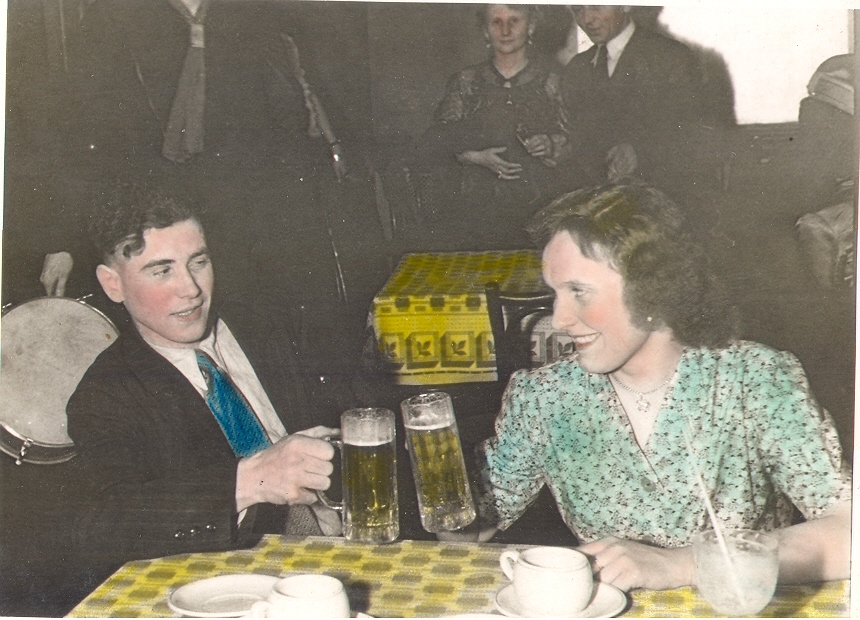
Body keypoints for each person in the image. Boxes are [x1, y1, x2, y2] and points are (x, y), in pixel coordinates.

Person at [464, 184, 851, 591]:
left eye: (579, 292)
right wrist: (436, 467)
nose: (558, 318)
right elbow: (470, 526)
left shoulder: (753, 379)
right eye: (554, 292)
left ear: (653, 293)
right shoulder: (545, 397)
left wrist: (685, 566)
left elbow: (849, 531)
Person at [65, 183, 344, 580]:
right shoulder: (107, 392)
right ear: (113, 284)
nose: (191, 289)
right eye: (162, 271)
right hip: (240, 580)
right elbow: (101, 523)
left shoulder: (268, 321)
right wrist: (249, 481)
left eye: (198, 262)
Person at [414, 4, 570, 250]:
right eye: (496, 22)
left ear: (531, 26)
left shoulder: (553, 82)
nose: (505, 31)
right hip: (474, 210)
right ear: (485, 31)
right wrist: (474, 157)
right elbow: (433, 143)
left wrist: (551, 144)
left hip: (540, 210)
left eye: (514, 21)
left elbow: (579, 142)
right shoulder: (466, 82)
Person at [560, 6, 705, 187]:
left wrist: (639, 152)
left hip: (660, 192)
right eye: (577, 10)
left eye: (596, 8)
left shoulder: (671, 58)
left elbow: (693, 134)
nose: (587, 19)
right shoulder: (577, 68)